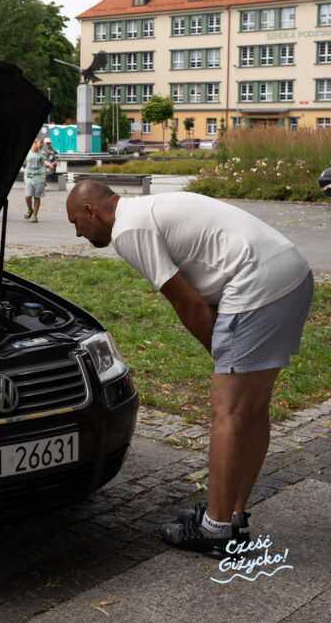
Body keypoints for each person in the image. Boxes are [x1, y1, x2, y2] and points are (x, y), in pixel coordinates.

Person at [66, 181, 313, 557]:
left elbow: (190, 304)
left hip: (256, 286)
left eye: (76, 223)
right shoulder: (147, 208)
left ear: (91, 211)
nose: (78, 233)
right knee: (253, 407)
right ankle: (232, 516)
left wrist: (223, 361)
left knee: (229, 410)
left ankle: (215, 530)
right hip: (290, 273)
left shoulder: (129, 230)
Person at [22, 136, 46, 222]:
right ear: (35, 142)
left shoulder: (41, 155)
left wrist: (44, 180)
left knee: (37, 197)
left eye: (43, 143)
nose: (42, 145)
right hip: (29, 178)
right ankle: (30, 209)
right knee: (28, 197)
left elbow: (43, 168)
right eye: (41, 142)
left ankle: (35, 215)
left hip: (39, 179)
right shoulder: (27, 153)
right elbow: (24, 165)